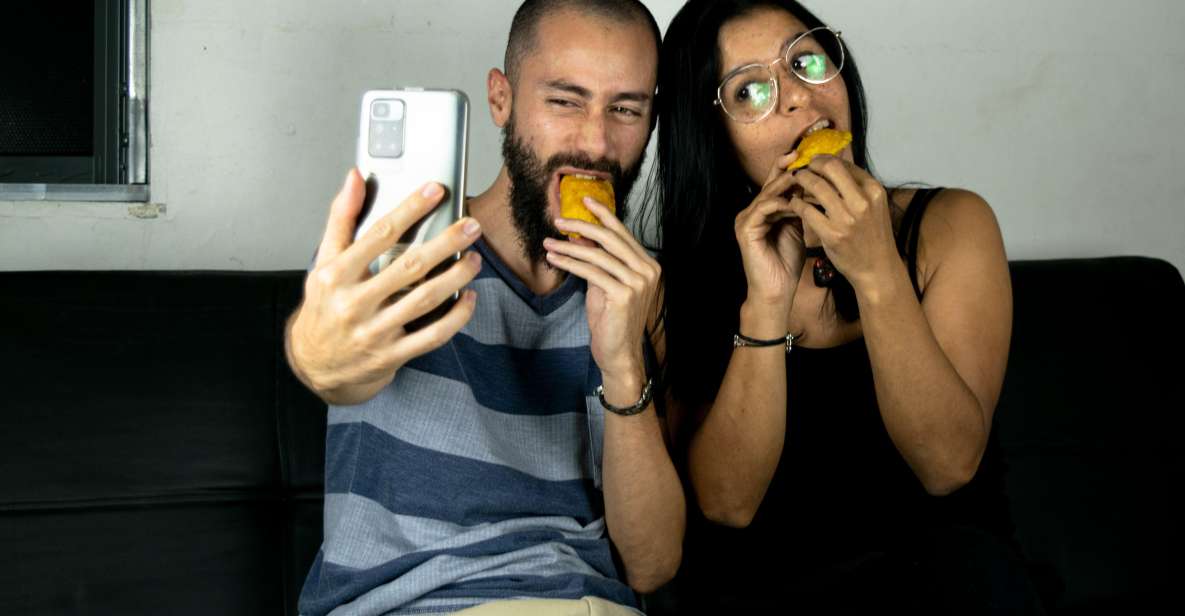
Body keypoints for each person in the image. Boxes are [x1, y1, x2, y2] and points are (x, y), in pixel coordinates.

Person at [285, 1, 683, 614]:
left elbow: (652, 565)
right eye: (565, 101)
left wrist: (623, 361)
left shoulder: (642, 289)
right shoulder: (399, 248)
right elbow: (331, 361)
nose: (596, 143)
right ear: (501, 100)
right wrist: (318, 353)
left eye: (625, 110)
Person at [649, 0, 1044, 612]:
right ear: (713, 136)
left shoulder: (953, 224)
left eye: (805, 60)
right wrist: (768, 300)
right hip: (767, 591)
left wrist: (876, 267)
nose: (797, 97)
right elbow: (726, 504)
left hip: (944, 584)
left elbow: (948, 464)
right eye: (751, 90)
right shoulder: (681, 282)